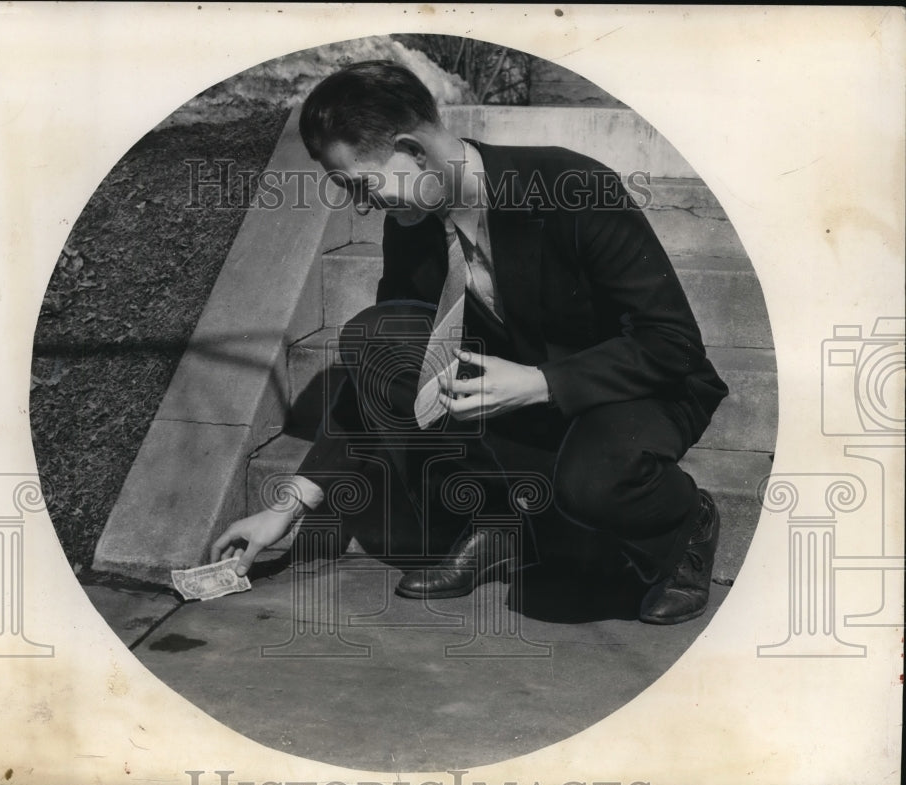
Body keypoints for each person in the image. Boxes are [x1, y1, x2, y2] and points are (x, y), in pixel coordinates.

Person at [211, 60, 729, 625]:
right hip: (517, 394)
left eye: (362, 185)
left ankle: (685, 523)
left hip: (632, 391)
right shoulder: (411, 221)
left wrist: (541, 383)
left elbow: (672, 344)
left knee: (593, 482)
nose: (362, 206)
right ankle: (500, 523)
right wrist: (287, 507)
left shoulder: (571, 187)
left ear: (413, 149)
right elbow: (374, 377)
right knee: (377, 335)